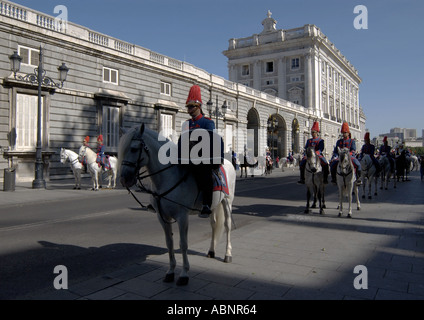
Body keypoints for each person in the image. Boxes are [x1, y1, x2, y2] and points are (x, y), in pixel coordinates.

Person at [179, 85, 222, 218]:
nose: (189, 110)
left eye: (191, 107)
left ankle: (206, 204)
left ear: (198, 107)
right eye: (188, 107)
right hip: (187, 157)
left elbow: (212, 141)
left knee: (204, 173)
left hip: (203, 157)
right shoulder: (186, 124)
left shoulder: (207, 123)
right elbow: (181, 142)